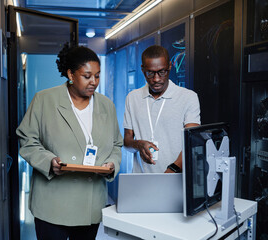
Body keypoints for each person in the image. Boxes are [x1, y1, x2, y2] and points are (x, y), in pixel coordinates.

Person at [16, 43, 122, 240]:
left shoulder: (106, 105)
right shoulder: (44, 100)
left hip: (90, 205)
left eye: (97, 76)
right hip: (53, 204)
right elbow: (27, 139)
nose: (94, 82)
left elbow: (117, 144)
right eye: (87, 76)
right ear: (71, 75)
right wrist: (48, 161)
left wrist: (112, 164)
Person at [123, 45, 200, 173]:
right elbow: (127, 141)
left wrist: (173, 169)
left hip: (175, 178)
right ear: (143, 69)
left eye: (162, 72)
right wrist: (139, 144)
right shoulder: (132, 98)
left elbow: (192, 141)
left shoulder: (188, 97)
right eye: (150, 73)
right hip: (141, 181)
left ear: (169, 66)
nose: (156, 79)